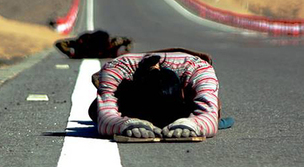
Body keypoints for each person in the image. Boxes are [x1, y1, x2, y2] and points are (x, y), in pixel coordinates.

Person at [89, 49, 233, 139]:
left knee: (216, 107)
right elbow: (105, 118)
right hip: (128, 92)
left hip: (187, 83)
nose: (159, 128)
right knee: (95, 110)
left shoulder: (200, 70)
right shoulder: (116, 70)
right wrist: (124, 124)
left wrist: (193, 124)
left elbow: (209, 117)